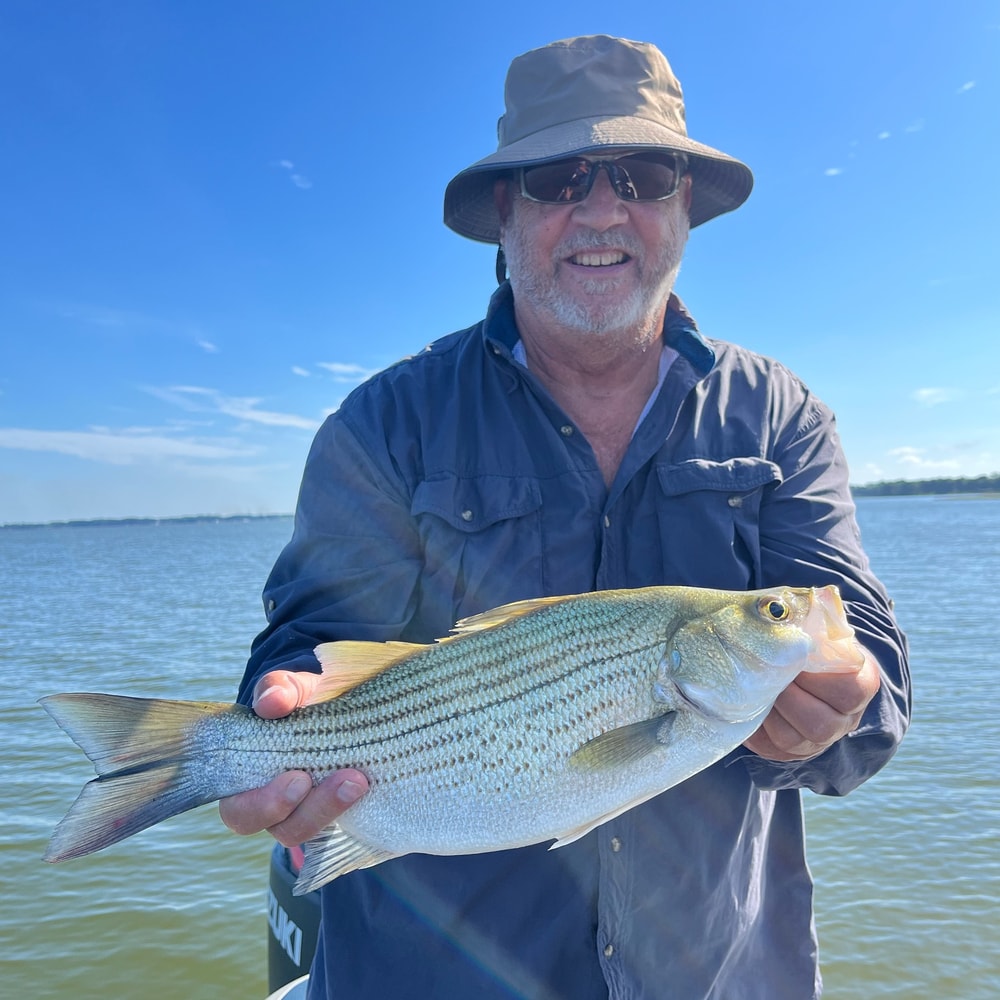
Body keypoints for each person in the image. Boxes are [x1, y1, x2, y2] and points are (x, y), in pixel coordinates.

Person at [220, 34, 910, 1000]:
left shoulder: (778, 414)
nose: (601, 209)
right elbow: (310, 638)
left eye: (642, 174)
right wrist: (276, 723)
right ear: (504, 213)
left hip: (717, 973)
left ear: (682, 210)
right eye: (558, 178)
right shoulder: (385, 423)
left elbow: (867, 663)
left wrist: (841, 710)